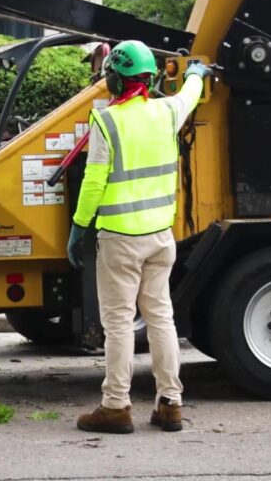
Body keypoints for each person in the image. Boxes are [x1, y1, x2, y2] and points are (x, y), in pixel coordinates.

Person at [68, 40, 210, 434]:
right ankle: (170, 404)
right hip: (160, 237)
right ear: (148, 78)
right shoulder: (166, 112)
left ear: (114, 79)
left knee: (117, 324)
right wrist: (196, 72)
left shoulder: (107, 121)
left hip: (120, 240)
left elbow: (94, 179)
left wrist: (80, 226)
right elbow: (190, 93)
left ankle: (115, 406)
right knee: (161, 318)